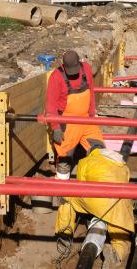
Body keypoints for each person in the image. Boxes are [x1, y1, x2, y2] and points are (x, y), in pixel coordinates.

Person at [44, 50, 105, 181]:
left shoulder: (86, 69)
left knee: (99, 150)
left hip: (86, 120)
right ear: (64, 67)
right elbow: (51, 105)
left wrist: (92, 115)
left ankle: (96, 187)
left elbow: (91, 93)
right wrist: (56, 127)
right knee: (64, 159)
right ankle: (61, 189)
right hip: (67, 123)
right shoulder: (56, 77)